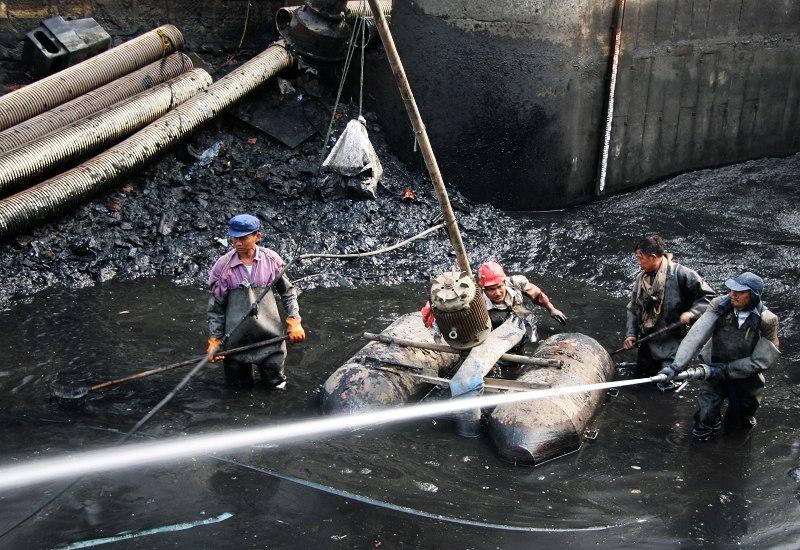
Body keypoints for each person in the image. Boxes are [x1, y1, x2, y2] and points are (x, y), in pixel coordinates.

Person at [659, 272, 780, 439]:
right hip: (713, 367)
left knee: (741, 421)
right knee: (705, 416)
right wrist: (676, 367)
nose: (732, 295)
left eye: (739, 292)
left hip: (746, 375)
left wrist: (726, 370)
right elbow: (696, 336)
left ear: (753, 296)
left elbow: (762, 360)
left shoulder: (767, 320)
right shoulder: (719, 305)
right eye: (731, 290)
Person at [206, 214, 306, 389]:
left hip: (270, 339)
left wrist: (294, 321)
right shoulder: (223, 267)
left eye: (244, 238)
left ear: (257, 236)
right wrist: (215, 340)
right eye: (234, 238)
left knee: (276, 386)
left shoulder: (271, 260)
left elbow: (288, 292)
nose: (238, 243)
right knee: (238, 390)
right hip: (235, 343)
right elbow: (216, 308)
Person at [622, 235, 716, 387]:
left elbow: (710, 298)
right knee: (640, 384)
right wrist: (631, 334)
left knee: (666, 386)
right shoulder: (641, 279)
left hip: (673, 346)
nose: (638, 263)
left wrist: (693, 313)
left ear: (653, 257)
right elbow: (633, 308)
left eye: (641, 258)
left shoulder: (682, 274)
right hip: (647, 343)